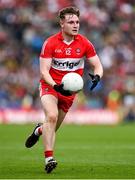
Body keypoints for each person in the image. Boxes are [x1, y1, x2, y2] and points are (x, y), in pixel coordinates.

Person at [25, 6, 103, 173]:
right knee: (51, 117)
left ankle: (38, 130)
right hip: (50, 86)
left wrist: (97, 76)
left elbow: (97, 65)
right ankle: (49, 159)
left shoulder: (84, 43)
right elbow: (44, 71)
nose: (75, 25)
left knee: (51, 127)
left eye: (77, 22)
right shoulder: (50, 43)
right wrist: (55, 85)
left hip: (69, 92)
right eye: (71, 22)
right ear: (62, 23)